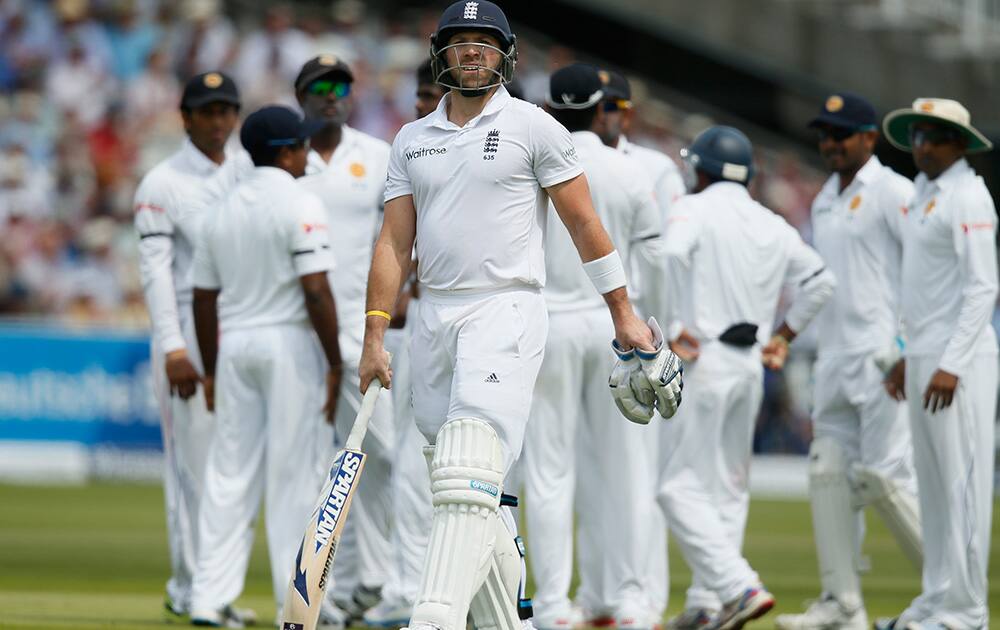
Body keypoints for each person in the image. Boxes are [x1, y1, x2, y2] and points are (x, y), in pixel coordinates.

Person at [357, 3, 681, 630]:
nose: (472, 52)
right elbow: (393, 244)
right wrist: (374, 335)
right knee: (462, 488)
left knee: (467, 468)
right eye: (460, 42)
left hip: (507, 306)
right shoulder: (411, 140)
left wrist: (624, 313)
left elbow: (584, 223)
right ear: (440, 54)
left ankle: (434, 618)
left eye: (484, 42)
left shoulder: (535, 126)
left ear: (505, 54)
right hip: (433, 317)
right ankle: (513, 622)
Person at [658, 126, 835, 630]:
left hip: (704, 359)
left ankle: (737, 586)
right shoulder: (771, 221)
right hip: (750, 365)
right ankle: (708, 603)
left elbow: (669, 254)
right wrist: (784, 335)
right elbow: (822, 280)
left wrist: (673, 326)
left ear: (703, 169)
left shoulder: (693, 209)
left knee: (676, 486)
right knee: (728, 490)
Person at [524, 62, 667, 630]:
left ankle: (556, 607)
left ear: (554, 110)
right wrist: (648, 324)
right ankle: (627, 600)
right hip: (617, 329)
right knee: (624, 469)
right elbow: (654, 258)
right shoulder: (629, 171)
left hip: (549, 325)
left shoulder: (533, 167)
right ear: (601, 107)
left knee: (549, 472)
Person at [188, 106, 341, 627]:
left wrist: (210, 370)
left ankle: (208, 596)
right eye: (301, 147)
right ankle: (295, 604)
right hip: (288, 345)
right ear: (286, 151)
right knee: (294, 477)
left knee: (229, 472)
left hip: (235, 347)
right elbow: (316, 291)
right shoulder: (301, 202)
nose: (307, 156)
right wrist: (335, 361)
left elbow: (203, 300)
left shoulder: (220, 208)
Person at [774, 93, 920, 630]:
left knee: (884, 479)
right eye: (824, 134)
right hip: (834, 360)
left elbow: (922, 272)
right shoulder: (826, 200)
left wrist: (907, 346)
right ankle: (843, 603)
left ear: (869, 138)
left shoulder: (893, 192)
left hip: (883, 359)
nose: (829, 143)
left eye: (841, 134)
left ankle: (954, 598)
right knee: (827, 473)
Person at [132, 70, 252, 624]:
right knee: (193, 469)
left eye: (226, 109)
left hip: (242, 329)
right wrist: (174, 348)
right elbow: (156, 274)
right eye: (207, 110)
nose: (219, 120)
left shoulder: (249, 170)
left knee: (233, 470)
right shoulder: (163, 183)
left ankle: (216, 588)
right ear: (185, 116)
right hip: (188, 333)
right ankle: (189, 586)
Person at [878, 98, 997, 630]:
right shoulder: (925, 193)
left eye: (932, 136)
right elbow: (917, 287)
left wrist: (951, 363)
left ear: (959, 143)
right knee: (931, 485)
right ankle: (936, 600)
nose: (921, 145)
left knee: (963, 484)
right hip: (925, 354)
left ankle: (966, 612)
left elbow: (983, 288)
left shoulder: (970, 196)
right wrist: (906, 352)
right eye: (918, 135)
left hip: (963, 362)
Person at [294, 53, 396, 628]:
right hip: (298, 332)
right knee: (311, 464)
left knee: (378, 458)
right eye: (321, 86)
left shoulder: (377, 156)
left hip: (364, 333)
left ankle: (371, 584)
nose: (333, 94)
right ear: (302, 94)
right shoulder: (282, 155)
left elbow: (403, 236)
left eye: (341, 86)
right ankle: (320, 595)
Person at [362, 58, 444, 629]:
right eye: (418, 94)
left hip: (485, 318)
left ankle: (453, 590)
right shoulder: (410, 147)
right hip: (421, 325)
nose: (422, 104)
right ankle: (407, 587)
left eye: (430, 93)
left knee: (478, 464)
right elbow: (393, 242)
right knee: (413, 461)